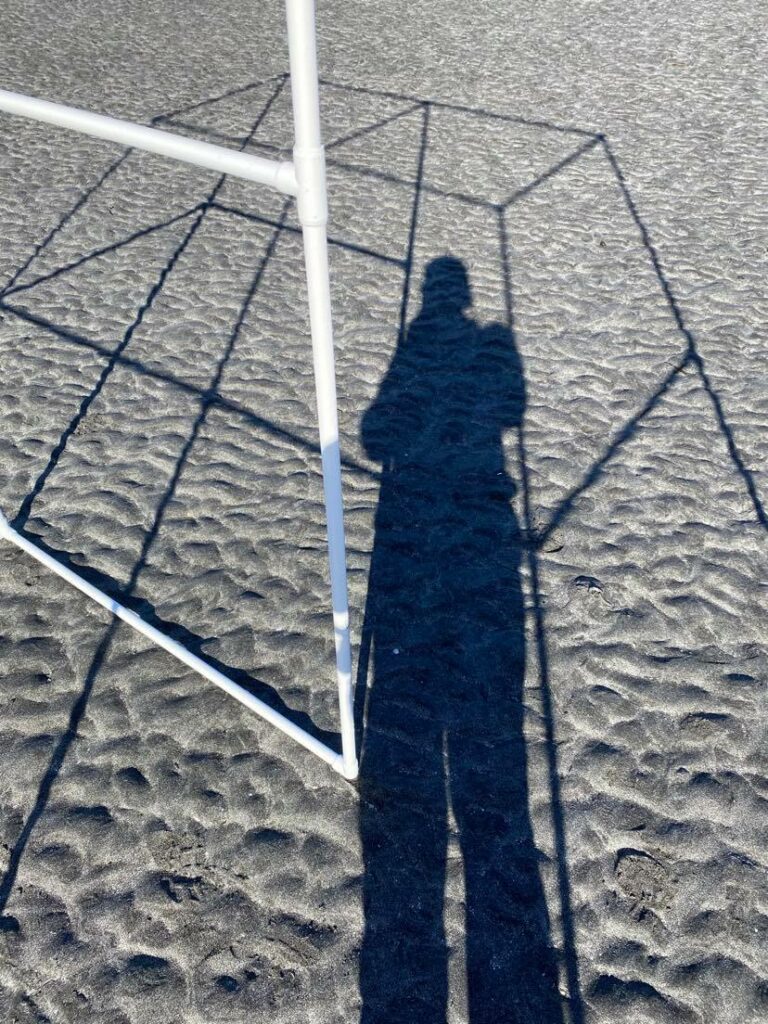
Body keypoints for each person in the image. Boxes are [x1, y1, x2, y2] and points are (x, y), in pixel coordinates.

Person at [358, 256, 563, 1023]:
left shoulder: (423, 342)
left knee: (434, 776)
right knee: (492, 774)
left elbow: (379, 432)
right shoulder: (483, 344)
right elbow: (509, 405)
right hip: (476, 518)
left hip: (425, 519)